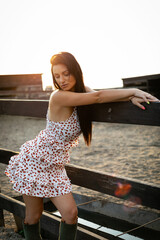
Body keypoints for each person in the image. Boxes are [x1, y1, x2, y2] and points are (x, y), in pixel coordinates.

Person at [5, 52, 159, 240]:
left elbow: (101, 96)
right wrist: (133, 90)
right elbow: (99, 98)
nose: (62, 80)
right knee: (33, 216)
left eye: (66, 73)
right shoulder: (59, 96)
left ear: (76, 71)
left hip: (55, 166)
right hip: (35, 161)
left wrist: (129, 98)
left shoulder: (82, 90)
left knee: (70, 215)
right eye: (57, 76)